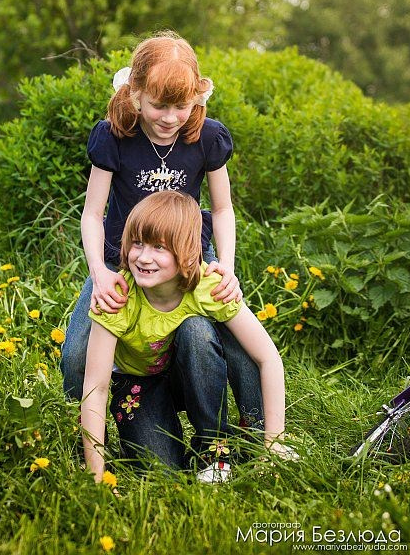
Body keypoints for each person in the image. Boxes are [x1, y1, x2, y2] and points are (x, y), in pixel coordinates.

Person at [62, 31, 263, 428]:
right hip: (122, 257)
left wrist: (226, 264)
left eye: (181, 107)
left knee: (236, 339)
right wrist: (99, 273)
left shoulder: (207, 135)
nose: (170, 118)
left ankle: (255, 429)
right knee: (77, 352)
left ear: (196, 99)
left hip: (189, 252)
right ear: (136, 93)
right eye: (159, 106)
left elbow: (222, 209)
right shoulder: (114, 134)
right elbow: (91, 214)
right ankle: (79, 427)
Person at [81, 191, 289, 482]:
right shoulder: (117, 297)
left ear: (187, 252)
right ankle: (160, 439)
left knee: (197, 330)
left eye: (159, 247)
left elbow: (268, 358)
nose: (143, 257)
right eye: (138, 243)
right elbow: (96, 388)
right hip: (139, 383)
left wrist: (274, 442)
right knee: (161, 474)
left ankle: (214, 451)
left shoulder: (209, 286)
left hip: (193, 373)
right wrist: (96, 475)